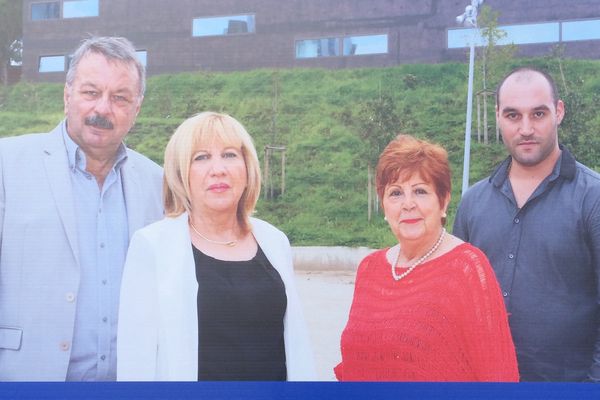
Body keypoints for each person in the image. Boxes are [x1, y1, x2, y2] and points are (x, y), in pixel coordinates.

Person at [0, 36, 163, 381]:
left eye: (120, 98)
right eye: (91, 92)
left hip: (128, 382)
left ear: (137, 109)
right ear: (67, 95)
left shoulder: (158, 183)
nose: (103, 109)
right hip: (25, 379)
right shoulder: (6, 165)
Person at [117, 111, 316, 381]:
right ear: (181, 173)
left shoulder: (274, 241)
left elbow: (295, 347)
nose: (218, 169)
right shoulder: (152, 246)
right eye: (201, 157)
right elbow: (135, 362)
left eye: (230, 155)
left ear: (247, 167)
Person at [453, 67, 600, 382]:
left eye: (538, 113)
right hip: (486, 384)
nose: (526, 128)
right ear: (498, 117)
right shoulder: (473, 203)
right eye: (513, 115)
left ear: (558, 112)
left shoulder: (594, 199)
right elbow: (454, 304)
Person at [335, 134, 518, 381]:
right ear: (384, 206)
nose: (408, 204)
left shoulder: (467, 268)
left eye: (420, 191)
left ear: (443, 201)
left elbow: (499, 378)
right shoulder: (370, 268)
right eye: (395, 193)